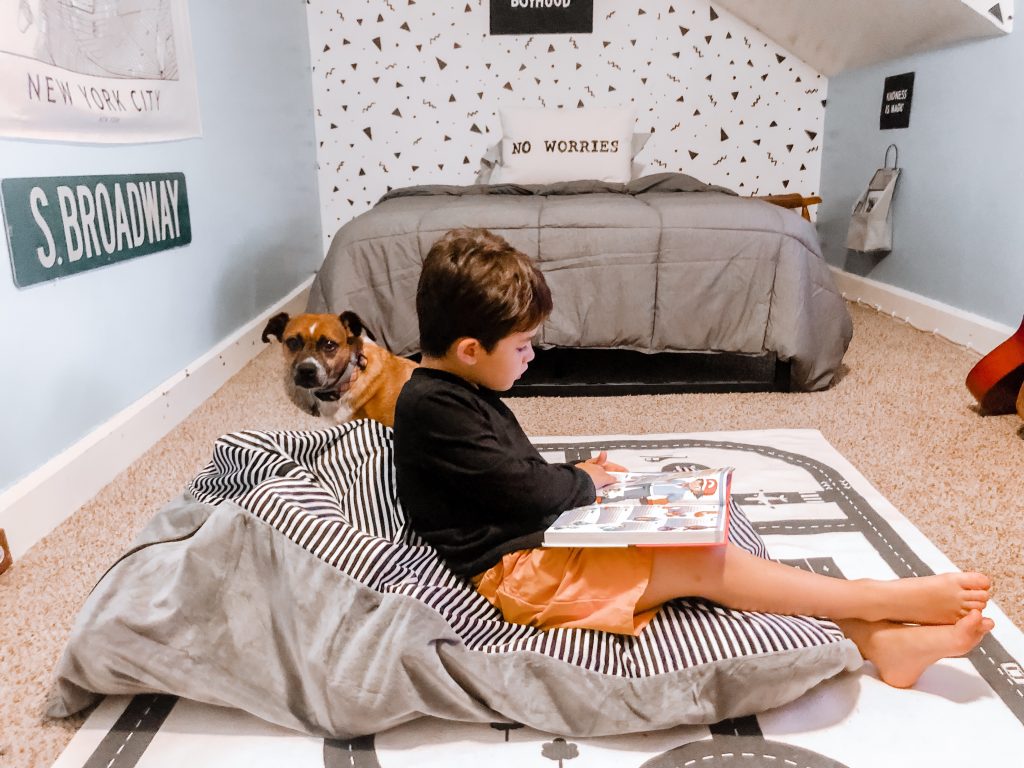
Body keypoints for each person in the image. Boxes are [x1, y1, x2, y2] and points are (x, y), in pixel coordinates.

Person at [393, 227, 994, 689]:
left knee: (692, 538)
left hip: (537, 541)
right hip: (519, 575)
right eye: (522, 346)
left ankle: (881, 642)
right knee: (702, 564)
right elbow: (527, 491)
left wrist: (588, 487)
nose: (532, 357)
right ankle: (878, 599)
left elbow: (505, 481)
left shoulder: (457, 391)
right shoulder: (435, 410)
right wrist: (583, 478)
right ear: (470, 349)